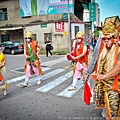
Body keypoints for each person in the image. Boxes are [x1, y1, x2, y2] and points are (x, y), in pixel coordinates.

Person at [91, 16, 120, 119]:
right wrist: (90, 72)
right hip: (102, 84)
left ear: (115, 37)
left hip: (114, 85)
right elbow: (97, 61)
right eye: (104, 38)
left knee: (114, 112)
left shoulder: (118, 48)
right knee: (104, 106)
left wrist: (104, 76)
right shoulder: (102, 48)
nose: (106, 41)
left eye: (109, 38)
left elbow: (119, 66)